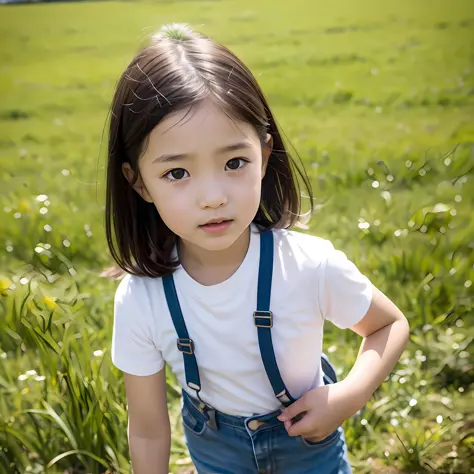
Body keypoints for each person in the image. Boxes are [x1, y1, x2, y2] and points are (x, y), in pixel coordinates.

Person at [106, 23, 410, 474]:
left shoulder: (307, 265)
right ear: (138, 183)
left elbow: (388, 324)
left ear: (264, 157)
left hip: (311, 450)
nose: (213, 196)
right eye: (177, 173)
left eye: (234, 163)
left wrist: (347, 396)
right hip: (216, 454)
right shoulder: (142, 298)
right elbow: (148, 428)